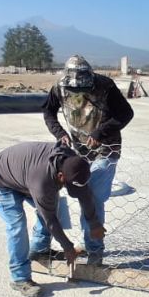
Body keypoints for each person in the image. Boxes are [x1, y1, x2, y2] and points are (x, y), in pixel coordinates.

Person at [0, 141, 104, 297]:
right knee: (17, 224)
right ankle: (20, 279)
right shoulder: (42, 182)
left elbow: (84, 193)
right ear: (60, 176)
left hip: (21, 177)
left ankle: (39, 250)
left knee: (54, 204)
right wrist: (68, 247)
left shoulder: (73, 163)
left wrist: (94, 223)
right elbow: (50, 220)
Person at [40, 55, 133, 266]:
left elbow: (126, 113)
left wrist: (100, 132)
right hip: (78, 152)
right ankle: (89, 243)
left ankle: (95, 251)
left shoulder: (105, 86)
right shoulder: (60, 87)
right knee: (83, 194)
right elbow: (48, 111)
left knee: (93, 196)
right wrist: (58, 133)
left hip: (106, 149)